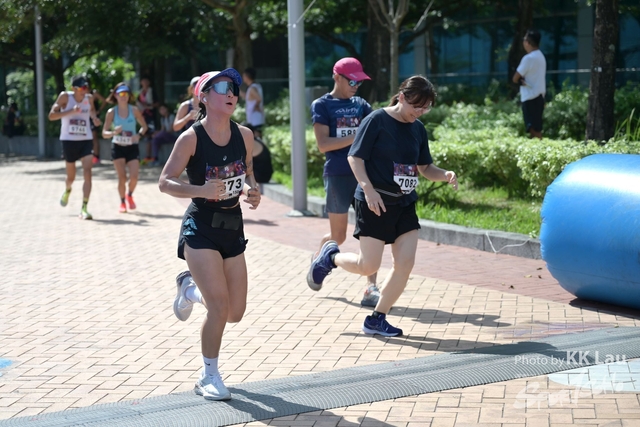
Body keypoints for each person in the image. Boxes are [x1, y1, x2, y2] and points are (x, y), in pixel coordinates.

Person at [307, 75, 458, 337]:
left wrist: (444, 174)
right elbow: (355, 157)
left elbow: (425, 167)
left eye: (425, 108)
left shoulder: (418, 129)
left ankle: (377, 318)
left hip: (404, 203)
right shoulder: (376, 120)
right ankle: (330, 258)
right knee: (368, 266)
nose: (419, 112)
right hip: (374, 202)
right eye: (416, 106)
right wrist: (368, 189)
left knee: (405, 264)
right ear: (402, 97)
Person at [158, 69, 261, 401]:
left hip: (233, 227)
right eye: (222, 88)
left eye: (233, 88)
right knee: (218, 306)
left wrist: (252, 189)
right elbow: (165, 182)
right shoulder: (191, 138)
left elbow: (247, 171)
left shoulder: (244, 135)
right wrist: (200, 189)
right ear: (203, 97)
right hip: (200, 227)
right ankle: (208, 375)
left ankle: (189, 290)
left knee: (234, 313)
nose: (231, 93)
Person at [308, 57, 379, 307]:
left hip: (363, 176)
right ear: (337, 77)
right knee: (338, 236)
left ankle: (371, 288)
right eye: (352, 81)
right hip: (337, 174)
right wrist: (358, 135)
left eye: (359, 82)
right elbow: (323, 144)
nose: (356, 86)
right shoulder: (322, 105)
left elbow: (375, 131)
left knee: (370, 232)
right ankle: (319, 260)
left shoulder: (361, 104)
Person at [48, 75, 102, 220]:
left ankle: (84, 208)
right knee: (71, 177)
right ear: (74, 88)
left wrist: (94, 119)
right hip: (69, 141)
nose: (85, 90)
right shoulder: (65, 97)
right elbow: (51, 116)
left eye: (86, 87)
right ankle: (67, 189)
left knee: (87, 172)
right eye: (82, 88)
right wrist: (71, 112)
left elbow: (92, 111)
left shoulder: (89, 98)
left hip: (85, 140)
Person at [102, 83, 148, 213]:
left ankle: (129, 195)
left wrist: (138, 135)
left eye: (126, 94)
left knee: (134, 177)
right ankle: (122, 202)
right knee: (122, 177)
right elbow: (104, 133)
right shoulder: (111, 112)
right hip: (118, 147)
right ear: (116, 96)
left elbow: (144, 127)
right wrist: (113, 133)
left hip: (132, 147)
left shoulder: (134, 110)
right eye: (121, 94)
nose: (123, 96)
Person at [512, 29, 546, 139]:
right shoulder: (541, 56)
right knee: (536, 127)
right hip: (539, 96)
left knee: (533, 129)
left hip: (530, 97)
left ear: (527, 42)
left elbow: (515, 78)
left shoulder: (528, 58)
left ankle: (541, 148)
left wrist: (520, 80)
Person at [241, 68, 264, 139]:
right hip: (256, 118)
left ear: (247, 76)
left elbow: (258, 98)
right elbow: (248, 97)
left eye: (243, 76)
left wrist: (256, 106)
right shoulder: (256, 86)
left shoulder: (252, 88)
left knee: (256, 139)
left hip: (255, 119)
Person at [137, 76, 156, 162]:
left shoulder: (152, 91)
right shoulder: (140, 92)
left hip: (151, 116)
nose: (144, 83)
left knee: (151, 135)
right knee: (145, 136)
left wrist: (149, 106)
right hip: (143, 116)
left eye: (146, 81)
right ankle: (147, 156)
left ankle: (152, 156)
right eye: (143, 81)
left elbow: (157, 103)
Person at [89, 83, 107, 165]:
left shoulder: (94, 93)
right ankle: (89, 156)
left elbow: (104, 101)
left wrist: (98, 111)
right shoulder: (81, 94)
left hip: (94, 118)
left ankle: (96, 156)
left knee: (94, 137)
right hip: (85, 118)